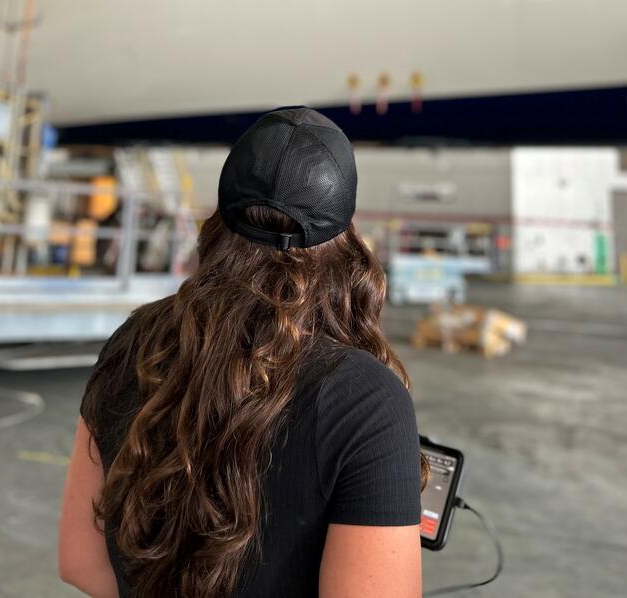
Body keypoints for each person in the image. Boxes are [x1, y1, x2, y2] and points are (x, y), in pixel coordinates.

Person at [59, 106, 430, 598]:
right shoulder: (366, 401)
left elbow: (81, 563)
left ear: (220, 216)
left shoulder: (135, 342)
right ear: (347, 238)